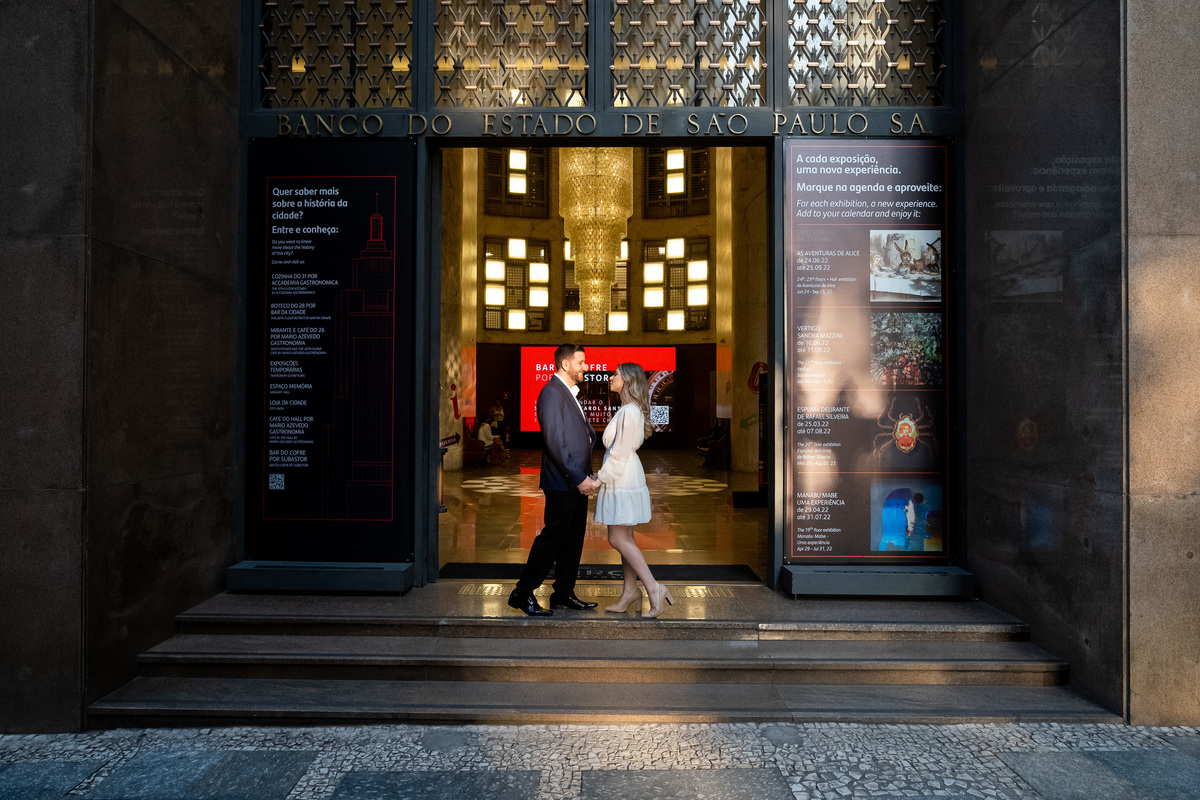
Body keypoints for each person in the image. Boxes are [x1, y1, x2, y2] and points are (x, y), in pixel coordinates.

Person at [508, 344, 600, 616]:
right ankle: (522, 593)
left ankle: (563, 593)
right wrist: (578, 477)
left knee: (573, 539)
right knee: (552, 539)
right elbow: (556, 443)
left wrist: (585, 475)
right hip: (563, 482)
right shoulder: (551, 393)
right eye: (581, 362)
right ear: (565, 364)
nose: (586, 367)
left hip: (576, 481)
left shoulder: (568, 392)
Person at [593, 363, 674, 619]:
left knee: (617, 539)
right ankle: (630, 591)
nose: (611, 377)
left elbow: (618, 454)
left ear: (628, 380)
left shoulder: (629, 411)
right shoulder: (630, 408)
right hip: (626, 474)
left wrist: (599, 479)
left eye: (616, 374)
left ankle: (654, 587)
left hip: (621, 477)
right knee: (626, 538)